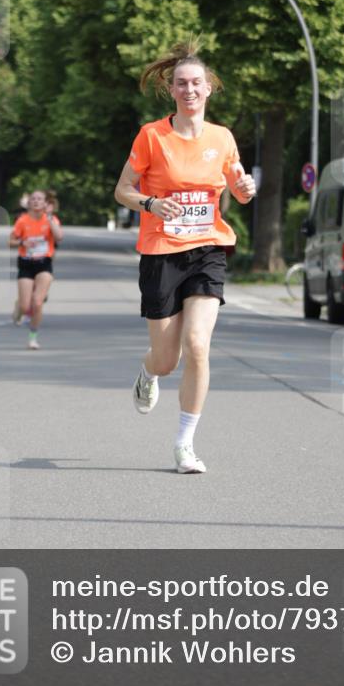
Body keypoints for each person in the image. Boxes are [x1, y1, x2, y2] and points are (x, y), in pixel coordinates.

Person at [114, 39, 256, 474]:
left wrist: (246, 190)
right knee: (167, 358)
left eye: (196, 82)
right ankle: (147, 372)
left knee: (198, 345)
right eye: (181, 83)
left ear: (209, 88)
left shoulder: (223, 137)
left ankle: (184, 445)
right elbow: (122, 191)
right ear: (171, 89)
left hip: (207, 248)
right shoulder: (152, 136)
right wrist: (151, 205)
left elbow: (237, 189)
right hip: (160, 253)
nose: (189, 89)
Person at [9, 190, 63, 349]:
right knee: (26, 307)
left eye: (40, 199)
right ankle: (20, 304)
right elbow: (10, 241)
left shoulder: (52, 219)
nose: (36, 201)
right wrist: (21, 243)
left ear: (46, 203)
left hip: (44, 263)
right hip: (26, 263)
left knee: (38, 302)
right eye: (33, 199)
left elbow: (59, 237)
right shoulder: (22, 220)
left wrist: (50, 219)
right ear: (29, 203)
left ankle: (32, 337)